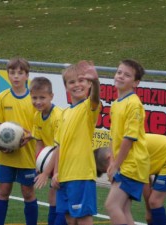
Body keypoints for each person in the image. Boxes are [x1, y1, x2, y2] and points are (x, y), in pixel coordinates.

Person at [94, 133, 166, 225]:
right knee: (153, 202)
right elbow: (145, 176)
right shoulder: (119, 150)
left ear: (108, 158)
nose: (110, 174)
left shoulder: (124, 154)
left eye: (107, 170)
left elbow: (143, 180)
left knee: (155, 202)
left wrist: (149, 211)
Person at [51, 60, 100, 225]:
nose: (77, 85)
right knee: (69, 218)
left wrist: (95, 81)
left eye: (81, 80)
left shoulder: (88, 107)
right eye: (72, 82)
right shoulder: (64, 113)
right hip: (64, 176)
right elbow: (59, 146)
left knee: (83, 218)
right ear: (66, 87)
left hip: (81, 174)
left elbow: (95, 99)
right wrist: (56, 172)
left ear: (88, 84)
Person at [0, 57, 38, 225]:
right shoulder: (1, 98)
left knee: (28, 192)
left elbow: (42, 126)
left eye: (20, 73)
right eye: (12, 73)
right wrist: (1, 142)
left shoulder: (34, 99)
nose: (16, 76)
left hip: (27, 154)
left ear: (27, 75)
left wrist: (30, 135)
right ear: (8, 75)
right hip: (6, 155)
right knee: (3, 191)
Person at [105, 59, 150, 225]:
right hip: (123, 164)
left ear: (136, 82)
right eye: (119, 72)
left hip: (132, 164)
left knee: (111, 205)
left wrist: (117, 164)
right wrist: (111, 161)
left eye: (127, 75)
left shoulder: (134, 104)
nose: (121, 76)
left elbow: (129, 138)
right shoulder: (116, 104)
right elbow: (113, 136)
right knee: (123, 209)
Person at [29, 77, 67, 225]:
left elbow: (59, 147)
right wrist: (38, 167)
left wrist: (46, 173)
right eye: (34, 98)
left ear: (51, 96)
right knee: (52, 197)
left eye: (42, 98)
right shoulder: (37, 116)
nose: (38, 101)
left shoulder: (57, 116)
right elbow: (39, 142)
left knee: (60, 197)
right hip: (53, 161)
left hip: (64, 160)